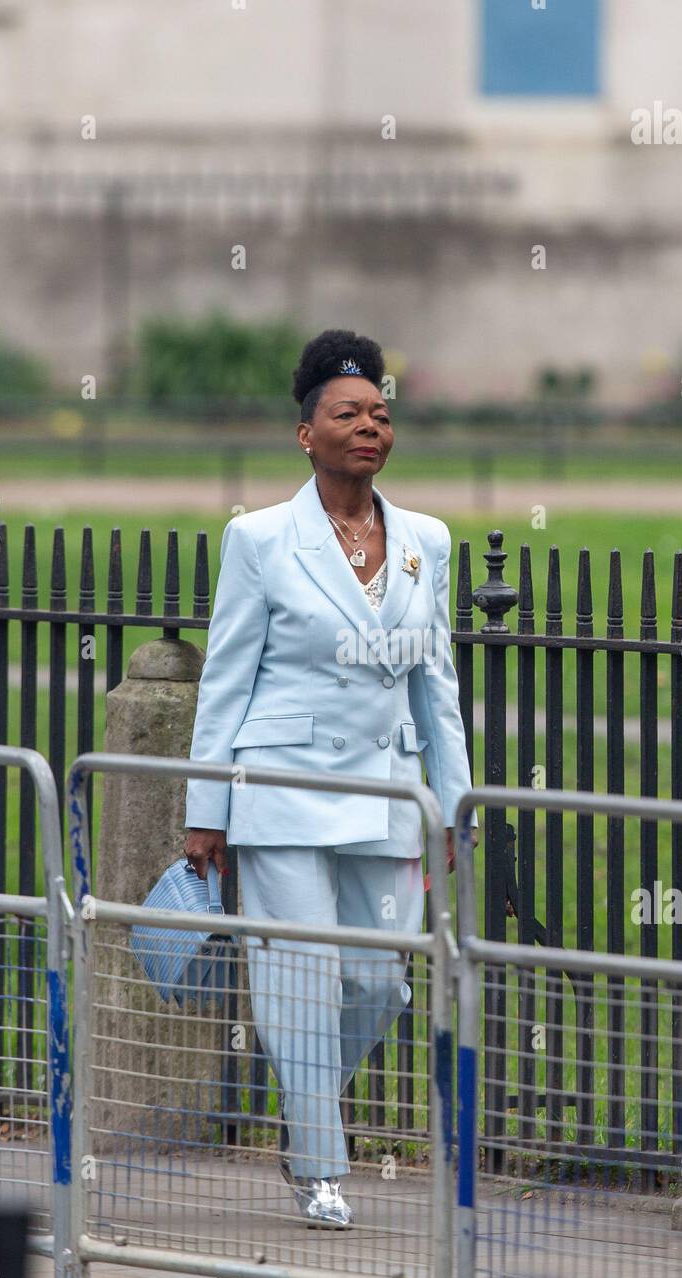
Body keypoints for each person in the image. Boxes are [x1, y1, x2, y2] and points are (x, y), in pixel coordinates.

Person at [183, 328, 478, 1228]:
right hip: (278, 792)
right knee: (300, 980)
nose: (368, 427)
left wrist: (453, 809)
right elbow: (226, 677)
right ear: (305, 433)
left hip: (387, 797)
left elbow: (439, 689)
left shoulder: (427, 539)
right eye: (346, 414)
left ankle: (304, 1108)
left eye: (380, 414)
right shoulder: (260, 539)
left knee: (379, 985)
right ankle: (320, 1166)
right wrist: (207, 810)